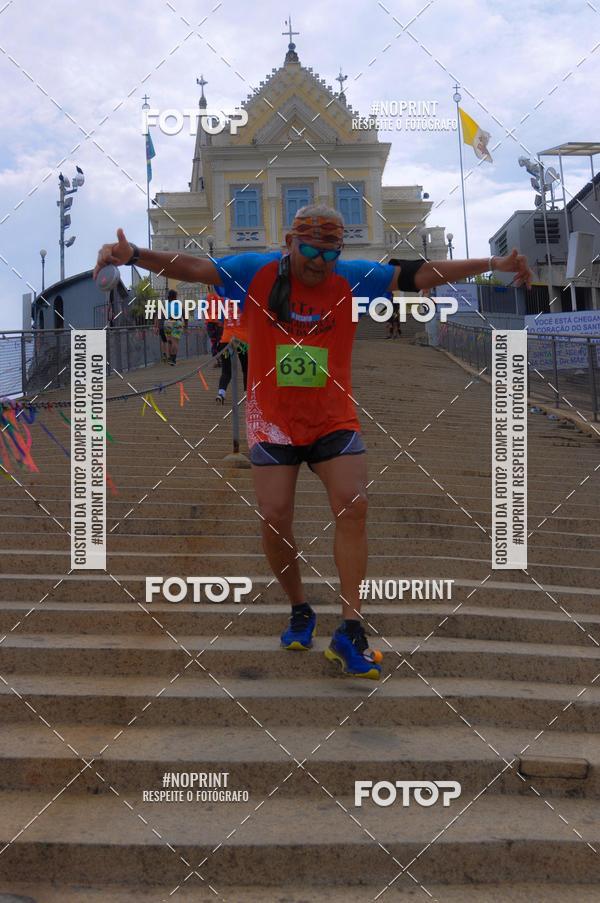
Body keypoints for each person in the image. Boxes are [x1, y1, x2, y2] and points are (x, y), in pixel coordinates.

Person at [94, 206, 532, 680]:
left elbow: (419, 274)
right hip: (273, 421)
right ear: (288, 242)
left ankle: (351, 627)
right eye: (309, 251)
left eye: (329, 253)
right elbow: (194, 268)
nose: (319, 262)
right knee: (275, 516)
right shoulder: (255, 271)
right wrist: (135, 254)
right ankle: (300, 606)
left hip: (331, 417)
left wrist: (493, 264)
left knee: (353, 504)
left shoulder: (350, 277)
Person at [163, 288, 186, 366]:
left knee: (169, 341)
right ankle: (173, 359)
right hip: (177, 322)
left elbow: (163, 315)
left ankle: (169, 358)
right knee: (175, 342)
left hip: (168, 322)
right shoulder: (179, 304)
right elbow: (184, 315)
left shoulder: (167, 305)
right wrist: (186, 325)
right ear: (175, 296)